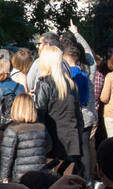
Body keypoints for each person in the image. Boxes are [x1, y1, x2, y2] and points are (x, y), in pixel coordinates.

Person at [34, 46, 87, 177]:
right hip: (71, 137)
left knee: (51, 183)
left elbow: (40, 114)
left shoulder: (44, 84)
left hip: (51, 139)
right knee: (67, 182)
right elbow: (78, 115)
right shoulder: (71, 84)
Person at [0, 94, 50, 183]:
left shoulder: (12, 129)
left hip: (19, 178)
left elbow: (6, 158)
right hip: (40, 174)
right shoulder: (42, 128)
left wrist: (3, 178)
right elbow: (49, 146)